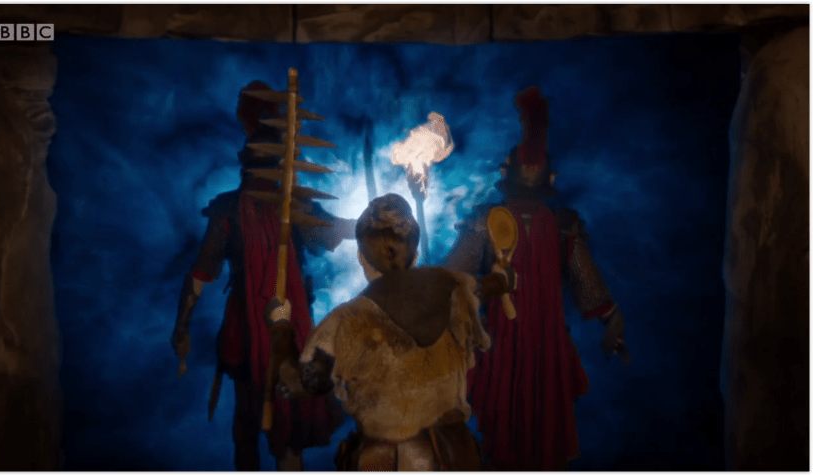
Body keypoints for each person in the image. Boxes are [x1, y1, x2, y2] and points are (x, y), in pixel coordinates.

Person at [442, 86, 631, 471]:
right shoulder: (557, 226)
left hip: (526, 344)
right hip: (519, 343)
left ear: (505, 172)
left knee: (514, 435)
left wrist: (434, 291)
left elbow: (450, 280)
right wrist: (612, 319)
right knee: (531, 433)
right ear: (551, 177)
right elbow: (590, 289)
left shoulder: (496, 222)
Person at [170, 80, 352, 471]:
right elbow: (200, 274)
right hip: (248, 330)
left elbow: (334, 229)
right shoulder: (232, 209)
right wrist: (181, 326)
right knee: (253, 426)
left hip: (279, 327)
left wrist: (377, 224)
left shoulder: (282, 207)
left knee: (269, 425)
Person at [268, 193, 514, 471]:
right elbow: (494, 284)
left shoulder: (344, 323)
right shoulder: (456, 289)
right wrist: (504, 278)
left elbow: (299, 385)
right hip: (458, 457)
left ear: (361, 257)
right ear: (416, 255)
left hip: (385, 461)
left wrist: (281, 326)